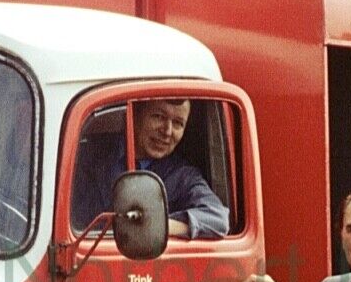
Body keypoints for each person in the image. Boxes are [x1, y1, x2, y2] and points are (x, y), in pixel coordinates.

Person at [69, 99, 230, 240]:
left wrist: (159, 226)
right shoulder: (89, 153)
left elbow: (218, 218)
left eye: (178, 123)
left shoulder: (182, 175)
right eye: (159, 117)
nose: (167, 131)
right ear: (134, 116)